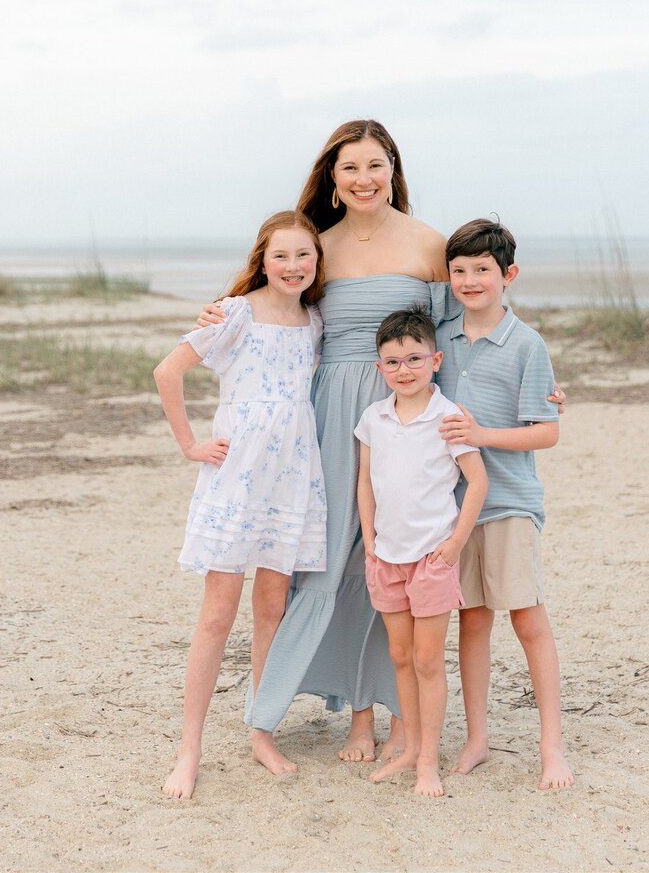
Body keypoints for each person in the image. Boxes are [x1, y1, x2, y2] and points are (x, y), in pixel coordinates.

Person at [196, 120, 565, 765]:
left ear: (392, 169)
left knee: (403, 547)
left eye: (374, 165)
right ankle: (354, 714)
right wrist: (218, 311)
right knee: (337, 561)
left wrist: (535, 393)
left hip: (410, 413)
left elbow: (459, 331)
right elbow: (277, 303)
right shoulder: (319, 246)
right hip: (331, 414)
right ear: (332, 180)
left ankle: (402, 723)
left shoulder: (427, 244)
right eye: (349, 168)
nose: (363, 179)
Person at [154, 210, 327, 797]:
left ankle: (261, 730)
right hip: (237, 479)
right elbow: (167, 372)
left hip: (293, 480)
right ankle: (190, 749)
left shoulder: (315, 322)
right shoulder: (235, 313)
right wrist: (190, 445)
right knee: (217, 614)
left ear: (316, 262)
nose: (294, 266)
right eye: (282, 255)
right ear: (263, 256)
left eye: (304, 255)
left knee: (271, 607)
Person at [436, 218, 574, 790]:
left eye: (483, 270)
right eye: (460, 271)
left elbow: (546, 431)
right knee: (471, 621)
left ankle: (552, 744)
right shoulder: (439, 338)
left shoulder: (526, 343)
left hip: (510, 501)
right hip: (453, 506)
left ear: (507, 275)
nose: (470, 280)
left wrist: (482, 435)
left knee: (527, 618)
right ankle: (476, 739)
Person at [356, 307, 488, 797]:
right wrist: (370, 539)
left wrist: (454, 544)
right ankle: (409, 748)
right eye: (393, 362)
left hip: (432, 559)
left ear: (435, 360)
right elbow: (365, 482)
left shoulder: (448, 416)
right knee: (400, 655)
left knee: (430, 660)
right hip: (385, 557)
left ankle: (429, 760)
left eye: (414, 359)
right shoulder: (374, 418)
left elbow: (477, 482)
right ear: (379, 368)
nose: (404, 370)